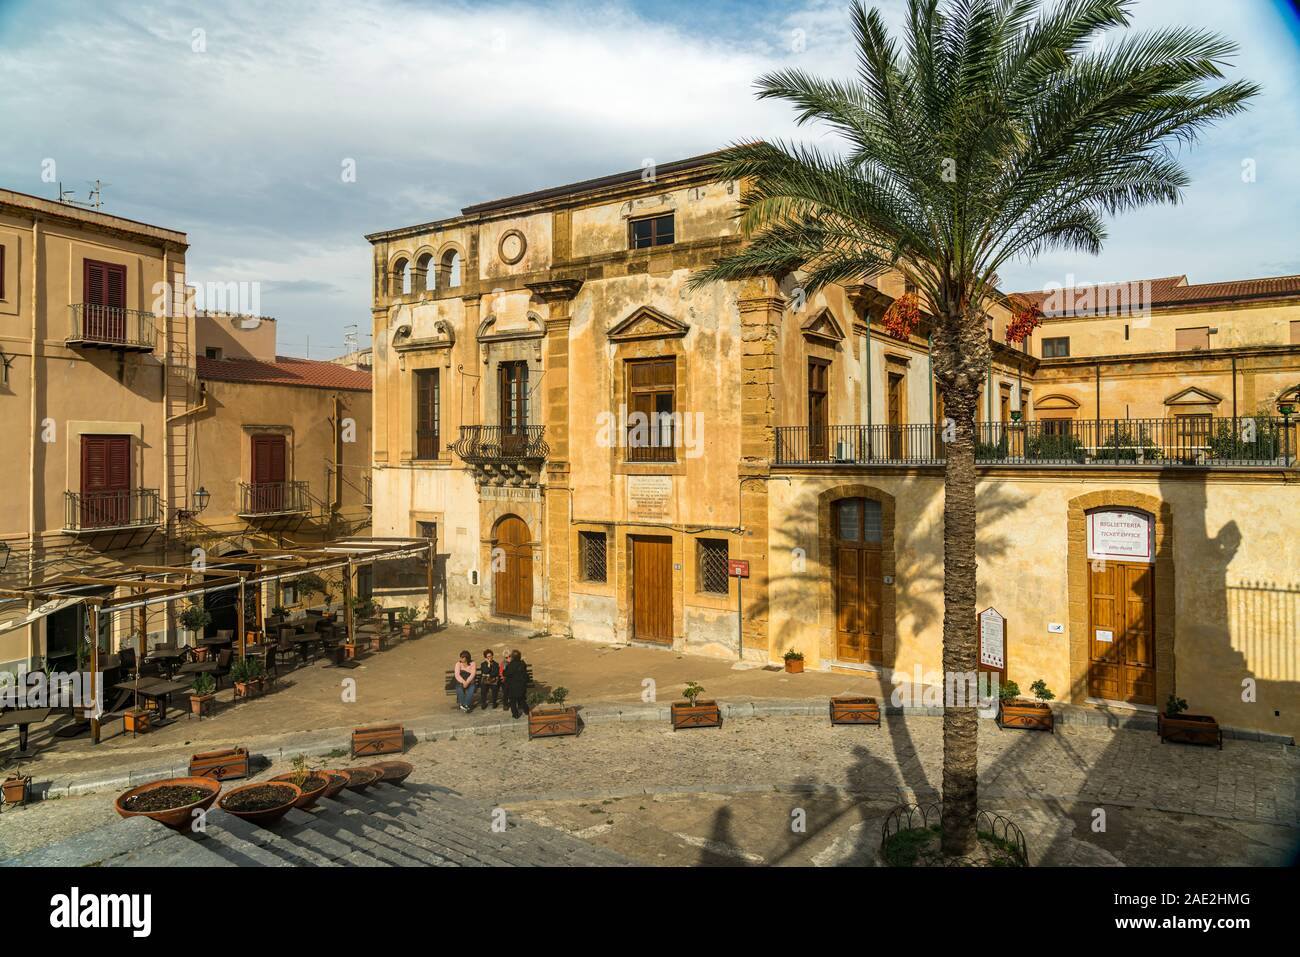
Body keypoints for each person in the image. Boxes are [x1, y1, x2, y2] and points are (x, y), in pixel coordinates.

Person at [503, 649, 530, 719]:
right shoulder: (522, 664)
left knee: (512, 702)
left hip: (512, 688)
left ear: (512, 657)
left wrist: (508, 665)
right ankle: (527, 711)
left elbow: (505, 673)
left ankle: (515, 714)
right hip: (521, 687)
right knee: (522, 700)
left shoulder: (510, 665)